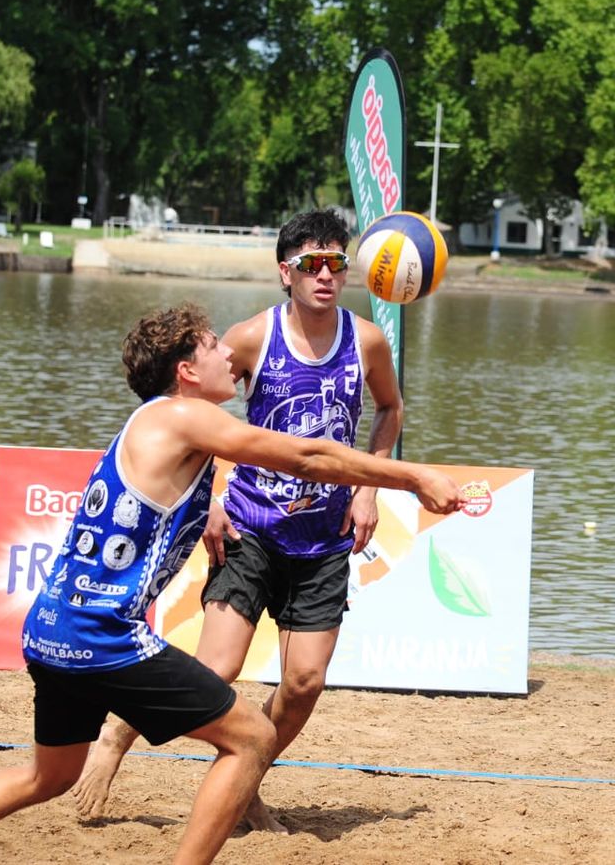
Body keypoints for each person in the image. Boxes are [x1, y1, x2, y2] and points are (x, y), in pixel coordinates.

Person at [0, 304, 460, 865]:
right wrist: (410, 475)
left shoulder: (153, 422)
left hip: (52, 625)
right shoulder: (184, 415)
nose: (227, 355)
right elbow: (306, 457)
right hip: (103, 633)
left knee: (46, 777)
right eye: (210, 347)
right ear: (185, 371)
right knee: (251, 737)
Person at [75, 209, 401, 833]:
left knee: (304, 683)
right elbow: (193, 405)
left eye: (338, 261)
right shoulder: (253, 337)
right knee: (216, 669)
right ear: (287, 272)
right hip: (250, 527)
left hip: (324, 539)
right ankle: (118, 735)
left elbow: (390, 409)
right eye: (313, 263)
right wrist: (215, 498)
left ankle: (246, 780)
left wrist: (367, 486)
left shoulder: (367, 341)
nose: (327, 273)